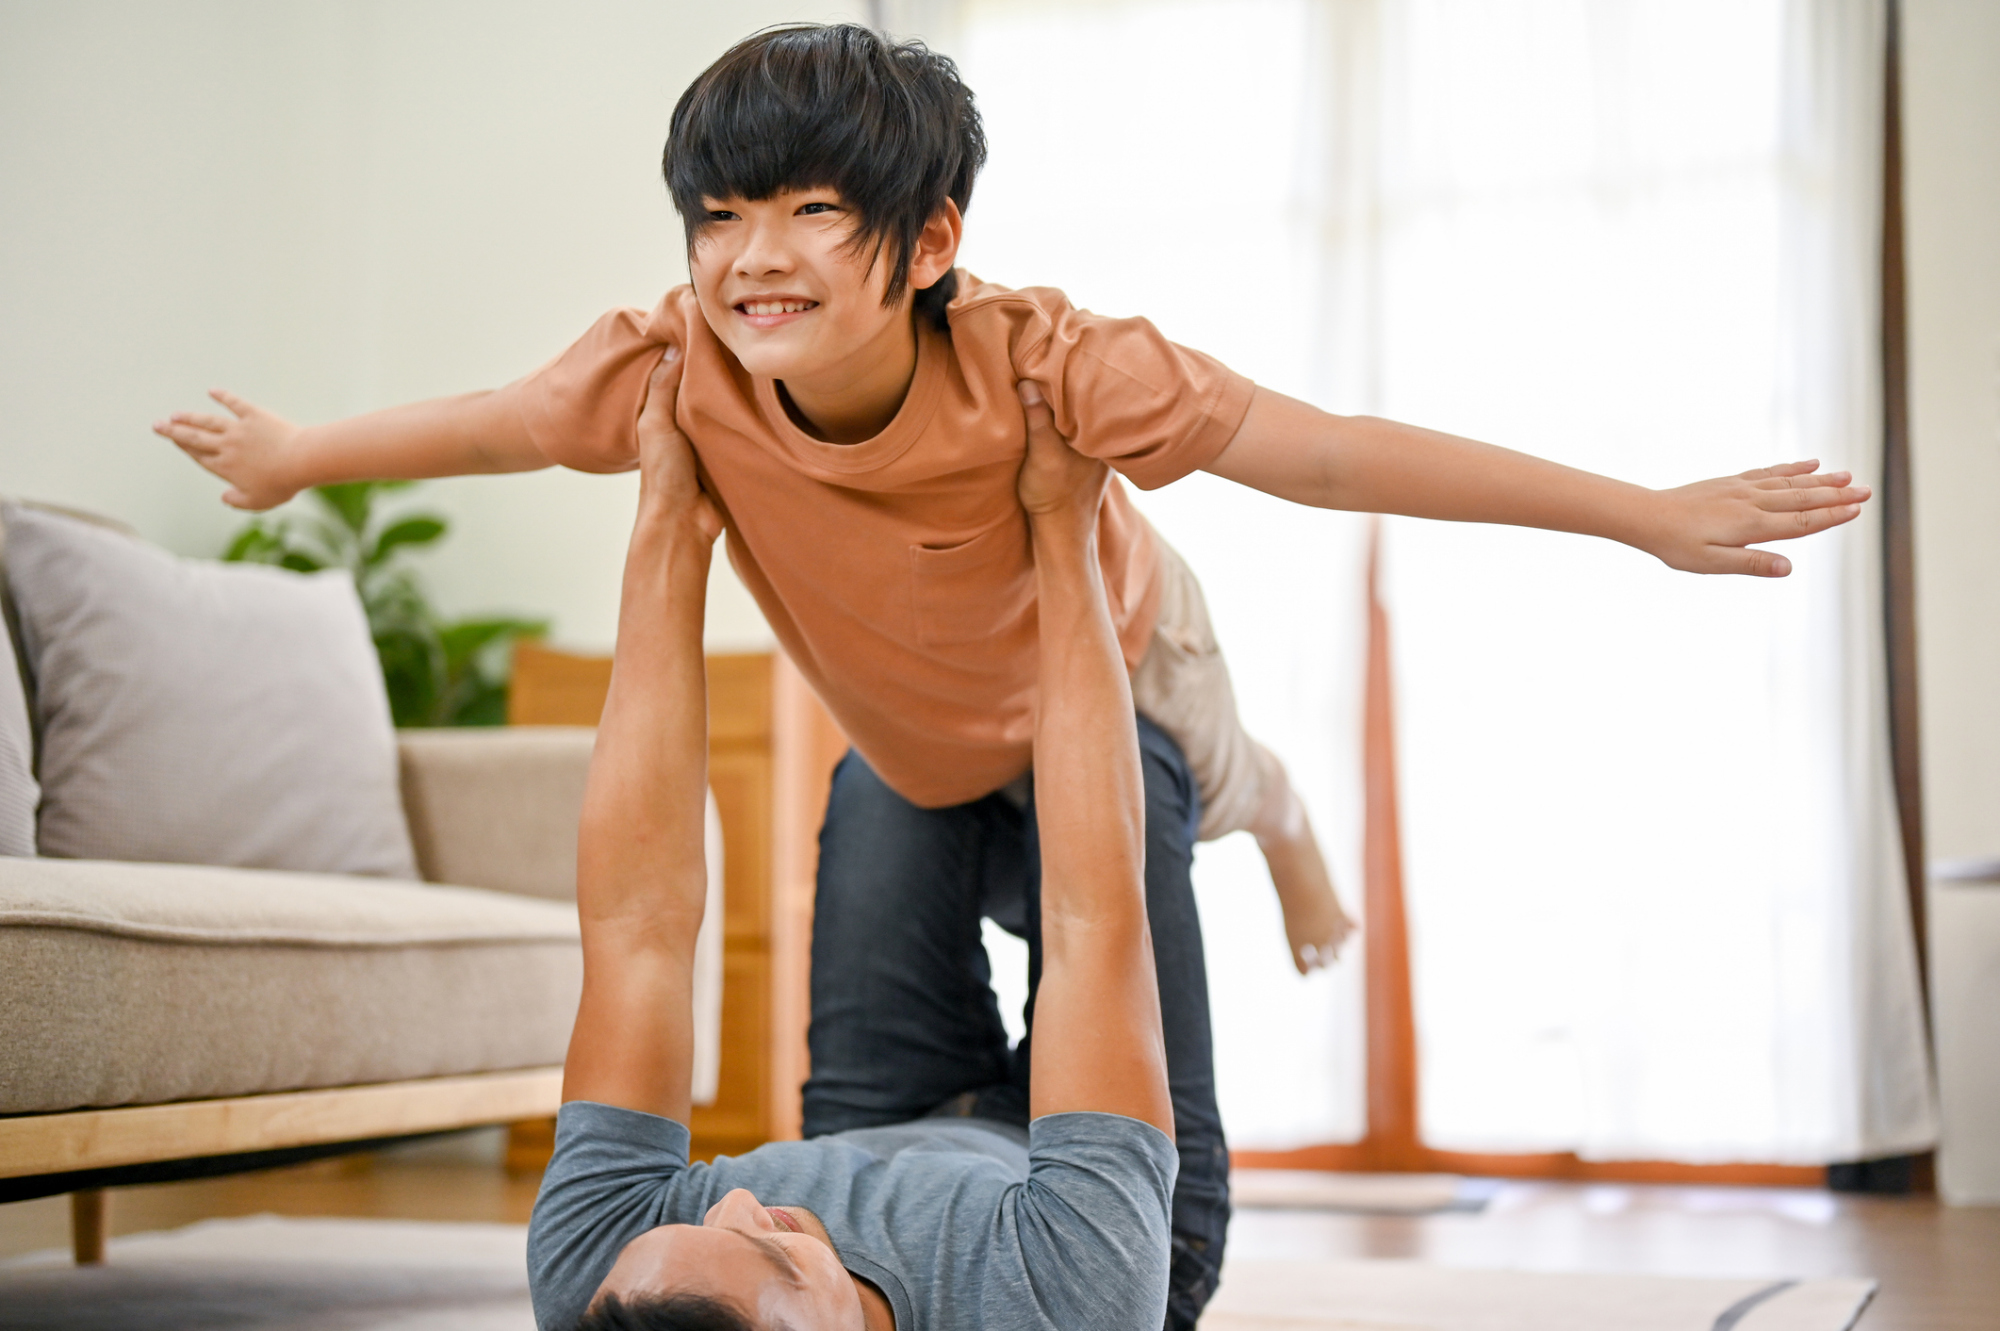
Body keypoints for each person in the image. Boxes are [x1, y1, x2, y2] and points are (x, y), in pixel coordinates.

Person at [154, 24, 1870, 1324]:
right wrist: (307, 456)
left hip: (1112, 649)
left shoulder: (1051, 369)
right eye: (720, 212)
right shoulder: (684, 372)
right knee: (917, 803)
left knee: (1178, 776)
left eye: (809, 211)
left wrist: (1639, 513)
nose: (748, 252)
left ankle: (1281, 820)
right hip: (913, 712)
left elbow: (1329, 453)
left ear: (926, 239)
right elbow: (504, 425)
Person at [534, 350, 1180, 1331]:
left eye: (710, 1214)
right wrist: (1061, 529)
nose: (737, 1198)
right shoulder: (1065, 1299)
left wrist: (669, 524)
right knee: (1136, 756)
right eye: (767, 1248)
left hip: (878, 1116)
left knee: (888, 759)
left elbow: (637, 925)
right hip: (1071, 1201)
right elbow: (1095, 920)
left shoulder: (604, 1284)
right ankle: (1273, 809)